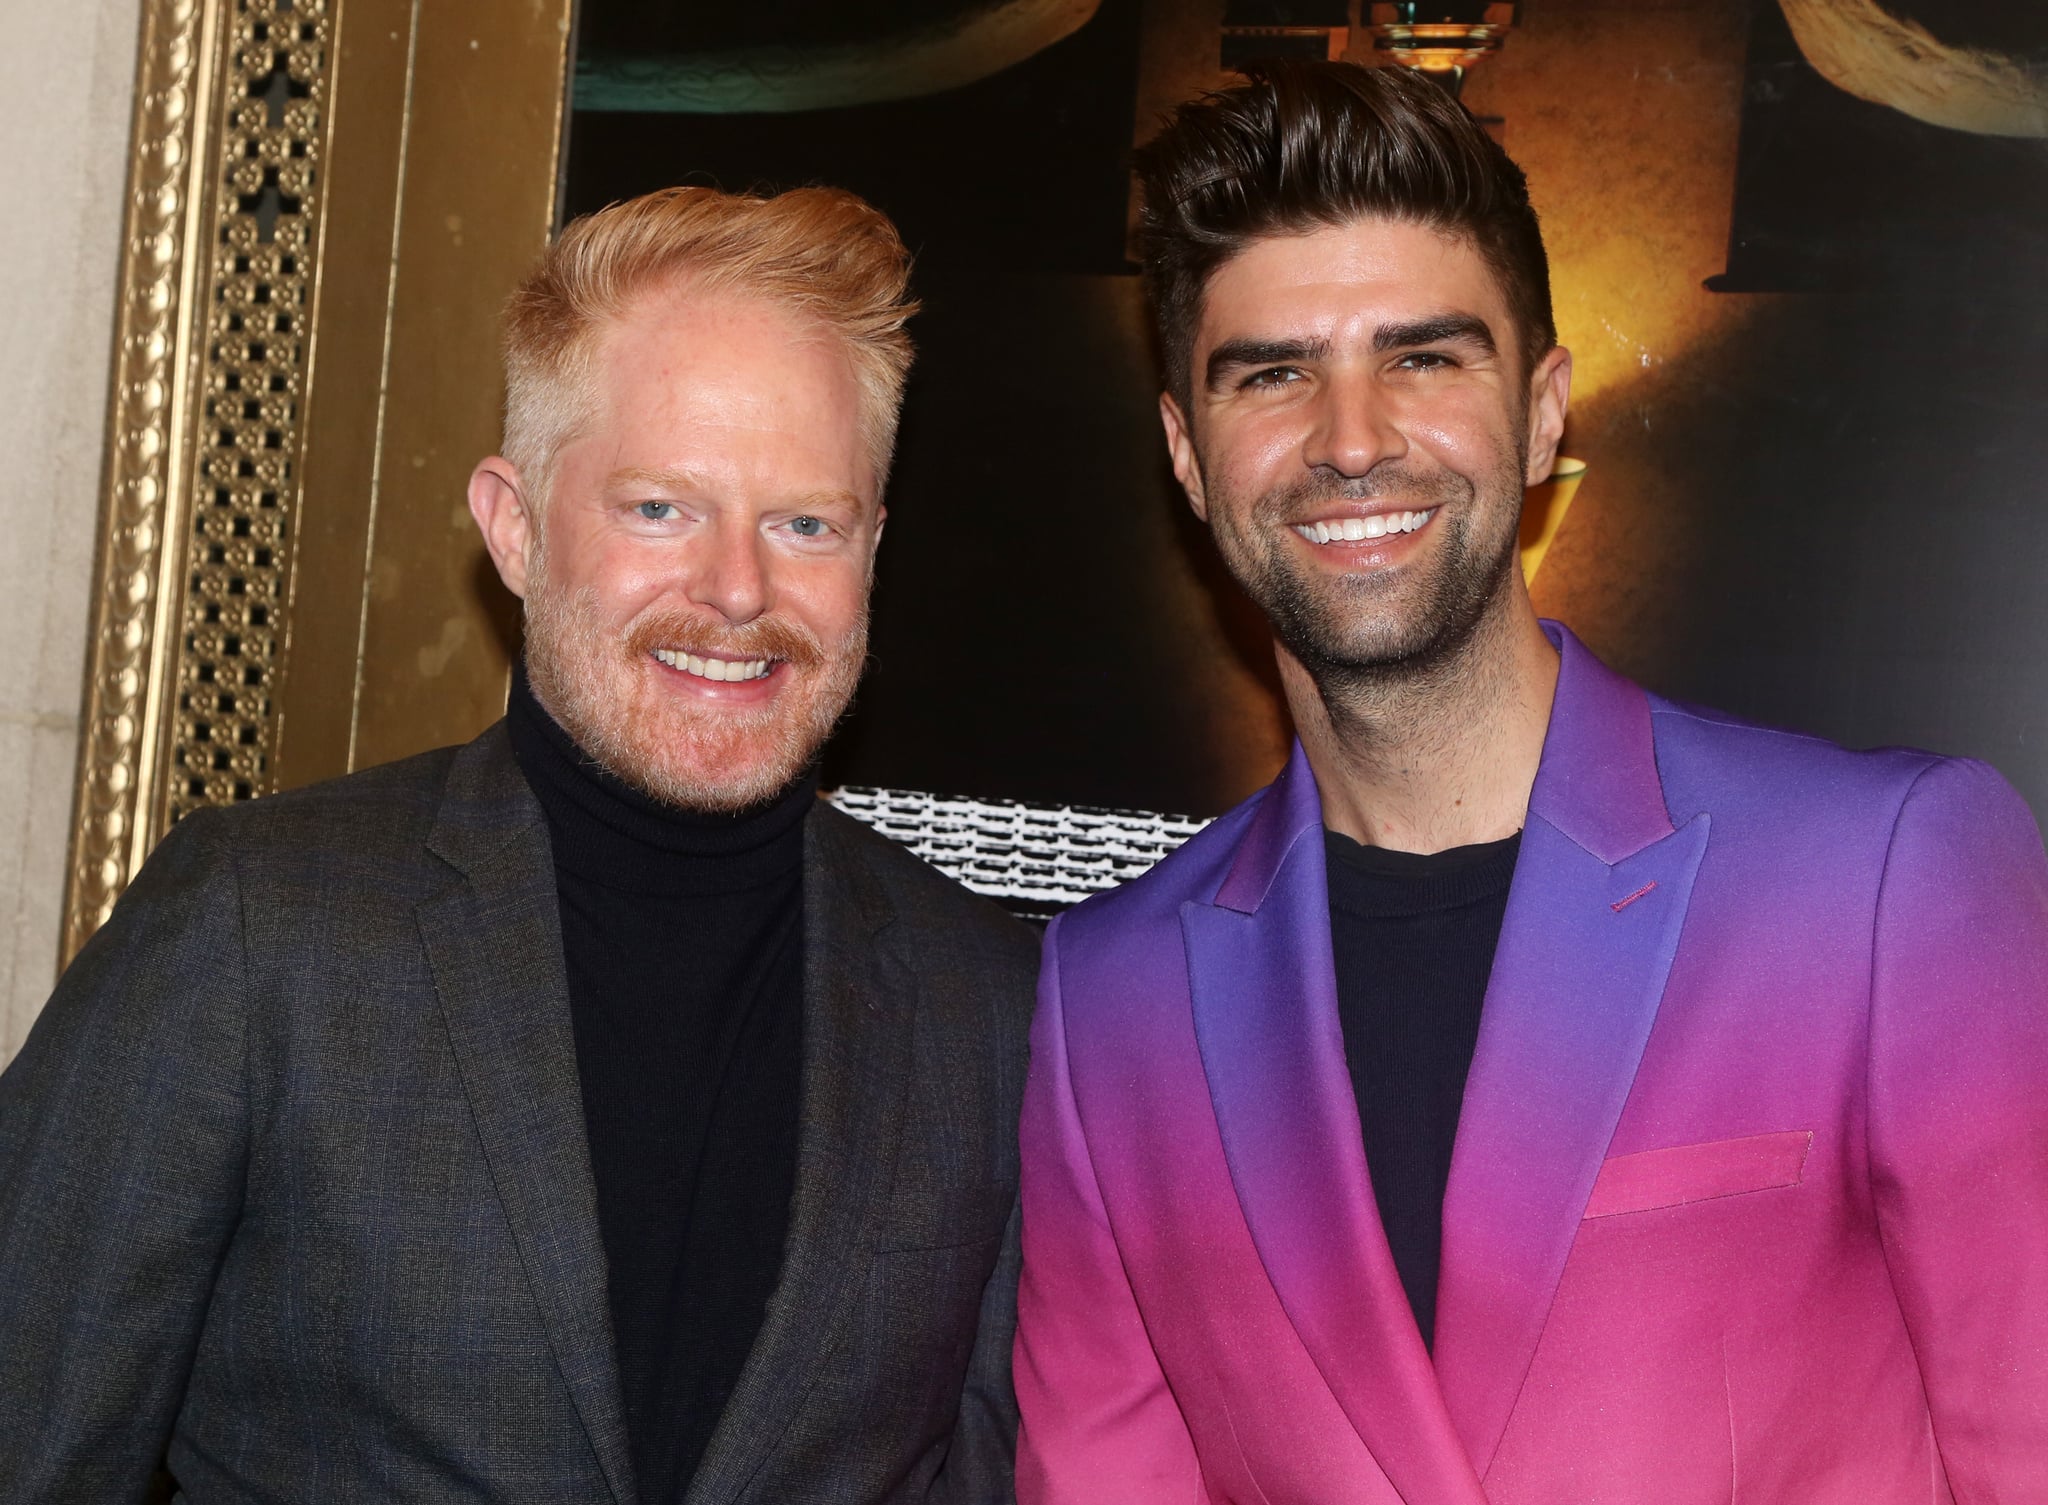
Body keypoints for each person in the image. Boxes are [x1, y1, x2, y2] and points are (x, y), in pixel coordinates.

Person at [1014, 61, 2048, 1503]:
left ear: (1543, 410)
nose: (1353, 436)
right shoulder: (1109, 1001)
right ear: (1188, 454)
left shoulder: (1885, 878)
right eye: (1273, 374)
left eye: (1426, 357)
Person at [0, 185, 1034, 1504]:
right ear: (516, 526)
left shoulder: (988, 1009)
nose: (736, 589)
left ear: (872, 549)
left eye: (805, 522)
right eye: (660, 507)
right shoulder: (260, 927)